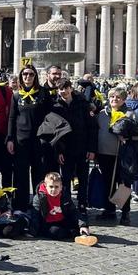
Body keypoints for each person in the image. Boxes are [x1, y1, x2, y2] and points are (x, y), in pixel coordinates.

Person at [46, 78, 97, 219]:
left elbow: (92, 127)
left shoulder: (82, 103)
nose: (64, 91)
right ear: (58, 90)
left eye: (66, 88)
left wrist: (92, 149)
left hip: (83, 147)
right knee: (66, 179)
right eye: (61, 89)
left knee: (83, 179)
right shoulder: (55, 106)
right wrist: (58, 151)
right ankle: (67, 204)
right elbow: (53, 132)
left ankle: (82, 205)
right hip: (66, 149)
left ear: (71, 88)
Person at [96, 87, 138, 225]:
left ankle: (125, 212)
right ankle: (109, 209)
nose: (114, 99)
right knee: (108, 183)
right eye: (112, 97)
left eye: (118, 97)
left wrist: (127, 136)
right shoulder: (102, 114)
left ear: (124, 100)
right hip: (104, 154)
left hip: (123, 155)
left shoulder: (130, 114)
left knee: (124, 185)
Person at [7, 64, 51, 211]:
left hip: (39, 140)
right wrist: (10, 139)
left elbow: (49, 116)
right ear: (21, 77)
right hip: (21, 141)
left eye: (31, 74)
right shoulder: (16, 95)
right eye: (25, 74)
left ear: (35, 76)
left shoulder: (43, 93)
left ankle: (39, 206)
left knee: (39, 173)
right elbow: (12, 118)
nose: (28, 77)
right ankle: (21, 206)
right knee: (20, 175)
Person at [30, 172, 96, 245]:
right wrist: (33, 231)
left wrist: (83, 225)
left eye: (56, 187)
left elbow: (73, 211)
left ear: (61, 187)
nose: (54, 189)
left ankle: (83, 235)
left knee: (81, 221)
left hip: (62, 220)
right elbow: (35, 215)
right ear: (45, 186)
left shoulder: (64, 196)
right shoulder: (39, 198)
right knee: (56, 232)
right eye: (51, 186)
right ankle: (73, 233)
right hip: (47, 223)